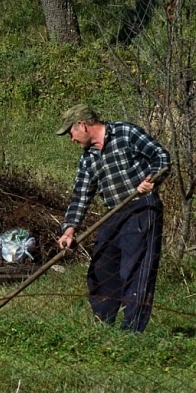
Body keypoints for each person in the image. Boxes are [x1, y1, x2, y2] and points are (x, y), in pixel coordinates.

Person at [56, 103, 170, 332]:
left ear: (82, 125)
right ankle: (103, 326)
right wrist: (69, 229)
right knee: (101, 268)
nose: (72, 139)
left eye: (71, 133)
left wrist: (152, 179)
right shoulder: (88, 157)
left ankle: (131, 331)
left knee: (135, 270)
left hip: (141, 208)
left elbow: (161, 156)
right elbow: (81, 194)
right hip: (114, 214)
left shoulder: (126, 133)